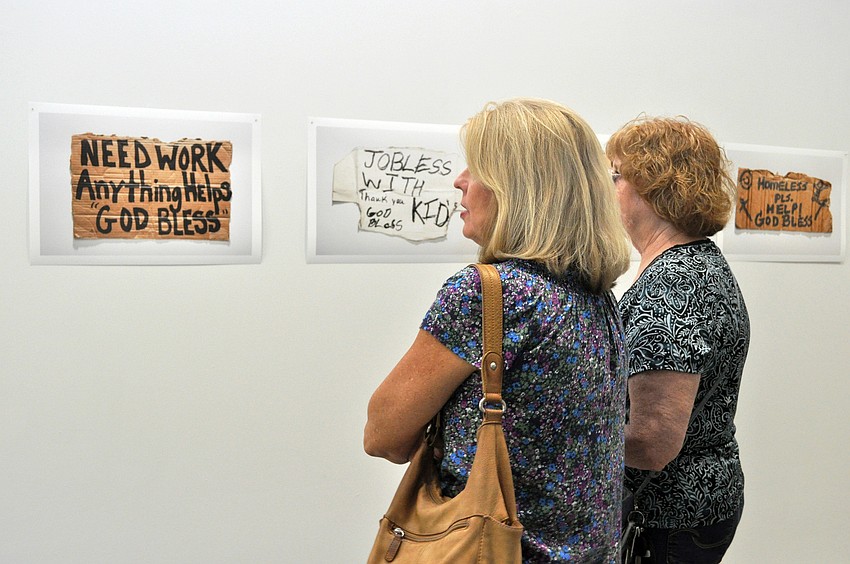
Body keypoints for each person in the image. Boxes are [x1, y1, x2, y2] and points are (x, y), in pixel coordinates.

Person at [364, 98, 632, 563]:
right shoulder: (597, 297)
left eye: (477, 167)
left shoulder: (492, 295)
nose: (459, 181)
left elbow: (383, 435)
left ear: (519, 187)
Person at [606, 116, 750, 563]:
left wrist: (568, 447)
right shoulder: (699, 262)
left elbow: (652, 442)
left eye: (615, 176)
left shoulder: (671, 286)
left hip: (668, 518)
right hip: (700, 503)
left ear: (651, 187)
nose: (607, 190)